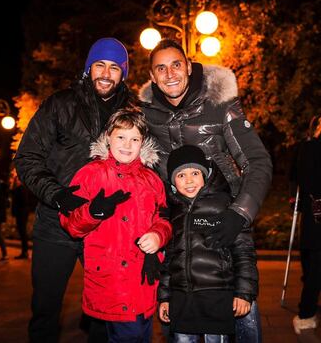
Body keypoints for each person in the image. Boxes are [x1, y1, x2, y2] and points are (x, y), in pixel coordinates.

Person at [139, 39, 272, 342]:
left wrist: (239, 214)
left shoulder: (220, 105)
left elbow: (257, 161)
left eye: (176, 64)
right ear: (152, 76)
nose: (170, 73)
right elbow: (138, 174)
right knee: (180, 327)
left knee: (241, 319)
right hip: (179, 232)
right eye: (161, 68)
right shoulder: (147, 116)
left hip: (223, 226)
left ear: (187, 65)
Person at [14, 37, 131, 342]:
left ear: (124, 74)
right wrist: (58, 195)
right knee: (45, 309)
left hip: (106, 229)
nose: (106, 73)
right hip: (56, 226)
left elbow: (146, 165)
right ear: (88, 69)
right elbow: (26, 158)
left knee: (105, 315)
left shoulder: (133, 113)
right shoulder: (60, 104)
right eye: (99, 65)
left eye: (114, 67)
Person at [60, 108, 172, 342]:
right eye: (121, 136)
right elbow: (70, 224)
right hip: (110, 279)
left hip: (143, 278)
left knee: (141, 334)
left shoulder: (151, 180)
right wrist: (92, 212)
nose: (127, 145)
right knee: (127, 335)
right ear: (108, 136)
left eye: (135, 139)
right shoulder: (90, 174)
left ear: (143, 143)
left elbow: (163, 218)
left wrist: (158, 235)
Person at [158, 145, 258, 343]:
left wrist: (244, 293)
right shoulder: (173, 213)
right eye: (181, 175)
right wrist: (165, 298)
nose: (188, 180)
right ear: (172, 182)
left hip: (217, 297)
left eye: (195, 173)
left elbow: (243, 251)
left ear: (206, 174)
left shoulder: (225, 206)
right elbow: (169, 259)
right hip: (182, 299)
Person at [291, 115, 321, 335]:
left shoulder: (309, 148)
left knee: (315, 266)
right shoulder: (309, 148)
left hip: (314, 218)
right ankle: (306, 312)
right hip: (316, 216)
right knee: (313, 266)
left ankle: (307, 311)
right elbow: (304, 179)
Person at [10, 172, 30, 259]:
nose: (15, 181)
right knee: (22, 232)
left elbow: (22, 202)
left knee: (22, 232)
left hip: (21, 213)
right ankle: (24, 251)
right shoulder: (20, 189)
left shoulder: (21, 189)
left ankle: (24, 252)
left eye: (17, 179)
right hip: (21, 213)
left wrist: (16, 211)